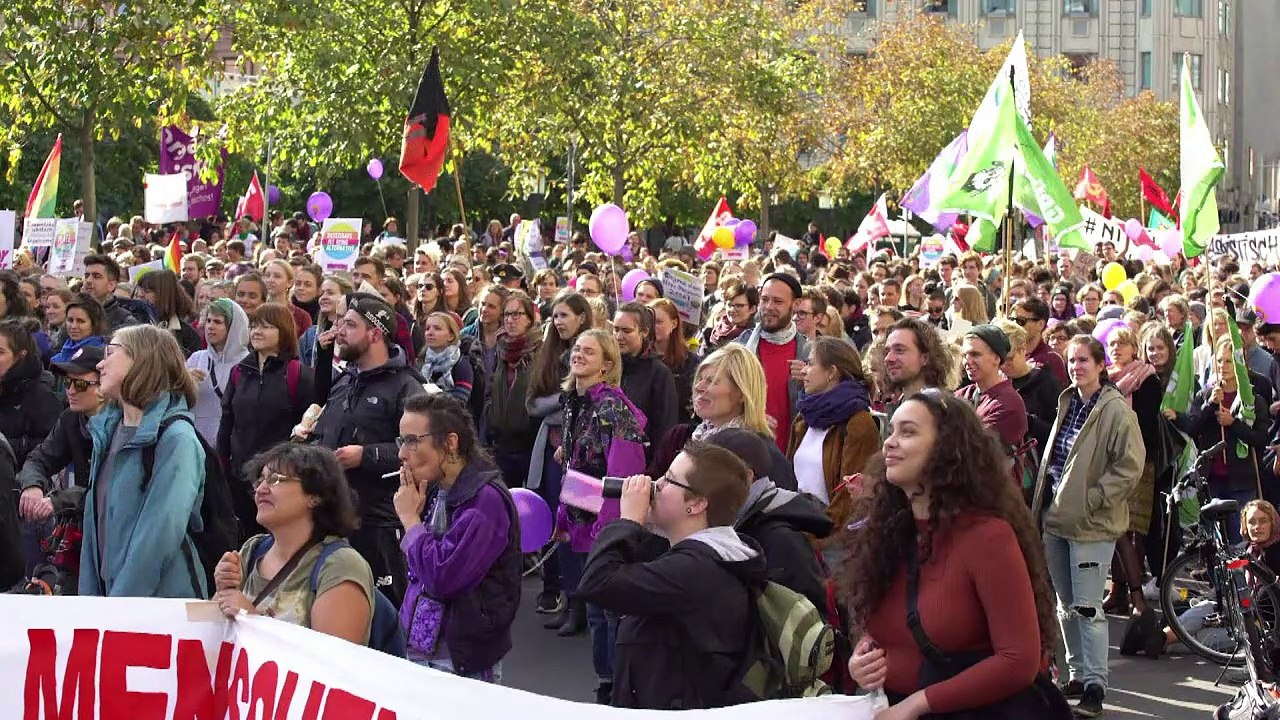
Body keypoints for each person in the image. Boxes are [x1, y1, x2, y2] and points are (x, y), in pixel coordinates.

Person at [845, 391, 1058, 720]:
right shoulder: (888, 533)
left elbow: (1019, 660)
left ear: (947, 449)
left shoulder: (986, 536)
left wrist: (918, 704)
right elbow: (893, 623)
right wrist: (863, 657)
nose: (889, 443)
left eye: (908, 432)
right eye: (891, 431)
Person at [576, 441, 768, 709]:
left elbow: (597, 582)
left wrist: (629, 521)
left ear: (696, 504)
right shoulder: (710, 557)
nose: (655, 484)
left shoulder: (696, 571)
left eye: (668, 480)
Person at [1031, 335, 1145, 715]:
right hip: (1056, 520)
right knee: (1065, 606)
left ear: (1100, 365)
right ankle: (1078, 674)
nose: (1076, 367)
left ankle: (1095, 686)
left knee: (1088, 609)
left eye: (1083, 360)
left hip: (1091, 525)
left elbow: (1129, 467)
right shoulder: (1068, 401)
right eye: (1072, 360)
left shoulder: (1115, 410)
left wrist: (1093, 500)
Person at [308, 293, 426, 607]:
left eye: (350, 324)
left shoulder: (406, 385)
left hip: (378, 521)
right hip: (332, 515)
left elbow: (419, 447)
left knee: (382, 610)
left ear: (374, 334)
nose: (339, 331)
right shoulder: (345, 379)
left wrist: (365, 455)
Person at [393, 393, 521, 680]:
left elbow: (443, 577)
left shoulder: (485, 502)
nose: (402, 453)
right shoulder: (438, 489)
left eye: (412, 441)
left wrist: (411, 521)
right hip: (422, 650)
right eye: (401, 441)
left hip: (459, 663)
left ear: (450, 443)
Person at [551, 329, 648, 690]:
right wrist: (564, 518)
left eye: (589, 352)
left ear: (607, 365)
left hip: (605, 526)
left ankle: (618, 687)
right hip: (580, 517)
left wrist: (609, 534)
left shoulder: (613, 409)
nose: (578, 355)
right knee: (594, 609)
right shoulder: (573, 401)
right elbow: (574, 467)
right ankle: (605, 680)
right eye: (577, 349)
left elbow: (624, 476)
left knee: (609, 611)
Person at [81, 325, 208, 598]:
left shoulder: (176, 438)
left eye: (110, 353)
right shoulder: (107, 431)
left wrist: (119, 607)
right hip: (111, 603)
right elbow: (95, 530)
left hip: (157, 606)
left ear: (142, 358)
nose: (100, 364)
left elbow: (159, 537)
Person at [211, 443, 374, 644]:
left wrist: (251, 620)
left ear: (315, 496)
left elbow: (332, 659)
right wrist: (223, 590)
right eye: (259, 481)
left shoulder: (340, 565)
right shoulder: (252, 550)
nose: (260, 490)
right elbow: (209, 637)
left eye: (275, 479)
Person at [218, 303, 313, 539]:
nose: (257, 332)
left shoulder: (297, 373)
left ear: (283, 331)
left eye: (266, 326)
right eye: (254, 326)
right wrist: (222, 465)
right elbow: (227, 421)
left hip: (280, 478)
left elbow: (307, 428)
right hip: (240, 477)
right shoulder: (239, 372)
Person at [649, 344, 797, 491]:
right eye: (700, 378)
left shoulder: (762, 455)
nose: (699, 387)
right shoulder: (679, 438)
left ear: (742, 393)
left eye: (712, 381)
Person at [17, 345, 105, 587]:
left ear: (104, 386)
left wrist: (59, 500)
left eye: (80, 384)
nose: (70, 391)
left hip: (114, 531)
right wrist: (32, 486)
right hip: (84, 529)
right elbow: (39, 458)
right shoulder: (71, 418)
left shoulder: (121, 423)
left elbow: (106, 490)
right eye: (67, 382)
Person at [1169, 336, 1272, 544]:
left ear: (1240, 364)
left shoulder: (1252, 399)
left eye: (1228, 361)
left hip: (1241, 481)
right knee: (1214, 541)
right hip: (1211, 479)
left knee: (1239, 539)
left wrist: (1233, 423)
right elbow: (1192, 428)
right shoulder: (1206, 394)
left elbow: (1261, 439)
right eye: (1219, 361)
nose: (1223, 366)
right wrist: (1209, 405)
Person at [525, 291, 591, 613]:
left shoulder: (593, 350)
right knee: (553, 519)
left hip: (581, 453)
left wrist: (566, 404)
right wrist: (563, 400)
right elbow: (534, 405)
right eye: (555, 316)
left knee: (576, 523)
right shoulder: (548, 354)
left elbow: (587, 403)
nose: (559, 321)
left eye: (565, 315)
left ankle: (578, 601)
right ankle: (554, 590)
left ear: (582, 317)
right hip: (550, 450)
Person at [716, 428, 831, 612]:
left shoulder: (780, 538)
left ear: (747, 477)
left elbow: (806, 616)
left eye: (711, 474)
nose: (701, 484)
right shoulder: (736, 520)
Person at [787, 336, 879, 548]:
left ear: (831, 372)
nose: (804, 371)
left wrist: (815, 538)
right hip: (800, 522)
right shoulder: (804, 418)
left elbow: (849, 496)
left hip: (832, 537)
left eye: (811, 364)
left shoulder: (859, 423)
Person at [1101, 327, 1164, 623]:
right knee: (1115, 529)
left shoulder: (1147, 378)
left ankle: (1133, 593)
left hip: (1138, 460)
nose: (1116, 348)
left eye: (1122, 344)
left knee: (1132, 529)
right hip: (1109, 459)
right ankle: (1118, 590)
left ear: (1134, 348)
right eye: (1112, 344)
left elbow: (1147, 424)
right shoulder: (1106, 378)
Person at [736, 273, 810, 450]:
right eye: (765, 300)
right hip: (745, 452)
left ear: (796, 304)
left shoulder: (810, 353)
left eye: (777, 301)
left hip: (791, 456)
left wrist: (811, 383)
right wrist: (748, 419)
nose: (769, 307)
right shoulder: (740, 347)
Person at [486, 291, 542, 489]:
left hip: (528, 443)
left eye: (516, 314)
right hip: (501, 442)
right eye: (507, 315)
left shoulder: (540, 351)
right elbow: (490, 389)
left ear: (529, 319)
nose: (510, 320)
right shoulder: (500, 349)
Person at [614, 303, 678, 459]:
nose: (619, 337)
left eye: (627, 331)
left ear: (644, 331)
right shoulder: (605, 366)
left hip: (639, 463)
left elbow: (665, 429)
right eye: (615, 329)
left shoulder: (659, 374)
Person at [956, 324, 1030, 460]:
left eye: (975, 354)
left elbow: (970, 448)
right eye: (965, 355)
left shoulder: (1008, 404)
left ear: (996, 358)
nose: (967, 361)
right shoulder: (962, 395)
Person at [185, 299, 250, 445]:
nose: (210, 326)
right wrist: (185, 381)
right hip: (196, 440)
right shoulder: (196, 358)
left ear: (233, 327)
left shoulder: (247, 363)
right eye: (208, 321)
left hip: (231, 442)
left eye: (218, 322)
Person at [0, 321, 61, 467]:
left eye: (0, 352)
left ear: (20, 355)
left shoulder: (41, 394)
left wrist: (7, 446)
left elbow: (51, 445)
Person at [650, 298, 699, 425]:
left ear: (674, 323)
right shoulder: (640, 359)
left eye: (658, 322)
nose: (653, 327)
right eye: (650, 321)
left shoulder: (690, 362)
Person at [135, 269, 202, 357]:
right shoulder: (131, 323)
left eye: (147, 291)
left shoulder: (188, 336)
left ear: (164, 295)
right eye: (139, 289)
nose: (140, 294)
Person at [1013, 297, 1069, 386]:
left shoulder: (1051, 360)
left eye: (1021, 321)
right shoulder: (1009, 356)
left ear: (1040, 324)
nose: (1015, 325)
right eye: (1012, 320)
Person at [420, 311, 474, 403]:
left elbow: (460, 402)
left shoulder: (461, 364)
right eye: (427, 328)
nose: (430, 333)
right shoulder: (421, 361)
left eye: (437, 328)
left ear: (451, 336)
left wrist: (437, 394)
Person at [81, 255, 142, 332]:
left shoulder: (126, 323)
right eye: (86, 276)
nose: (88, 280)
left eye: (96, 276)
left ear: (111, 285)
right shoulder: (72, 313)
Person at [50, 292, 107, 367]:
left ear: (94, 324)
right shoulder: (57, 358)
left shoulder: (101, 357)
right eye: (70, 320)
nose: (73, 326)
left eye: (81, 321)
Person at [701, 280, 757, 352]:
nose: (732, 310)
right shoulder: (712, 332)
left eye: (739, 306)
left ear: (752, 309)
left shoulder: (755, 338)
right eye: (729, 305)